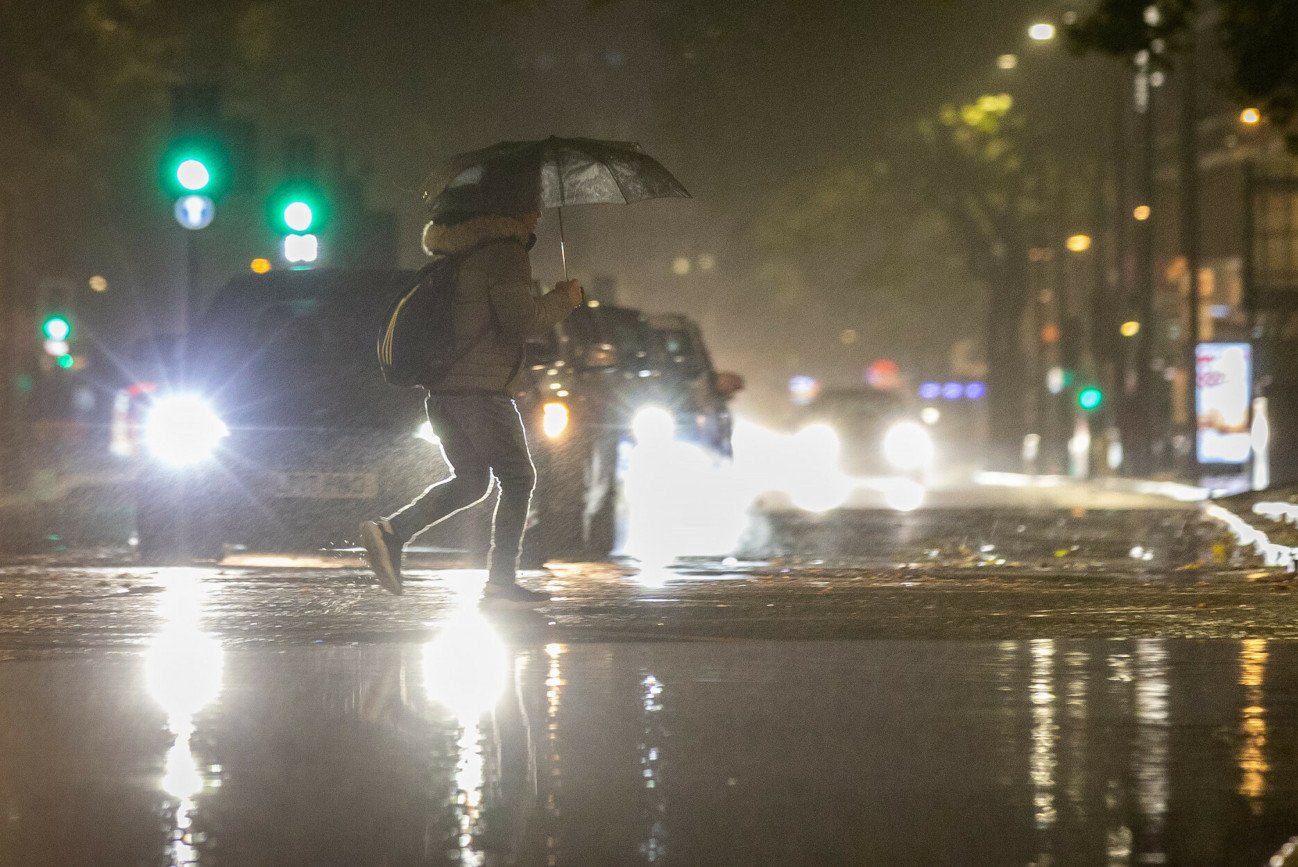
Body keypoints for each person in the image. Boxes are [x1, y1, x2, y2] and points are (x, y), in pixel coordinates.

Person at [360, 208, 582, 601]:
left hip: (444, 393)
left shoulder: (461, 253)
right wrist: (563, 300)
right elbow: (519, 321)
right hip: (481, 393)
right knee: (518, 479)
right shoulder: (506, 254)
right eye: (531, 205)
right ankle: (501, 580)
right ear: (513, 205)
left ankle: (392, 532)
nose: (537, 215)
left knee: (472, 480)